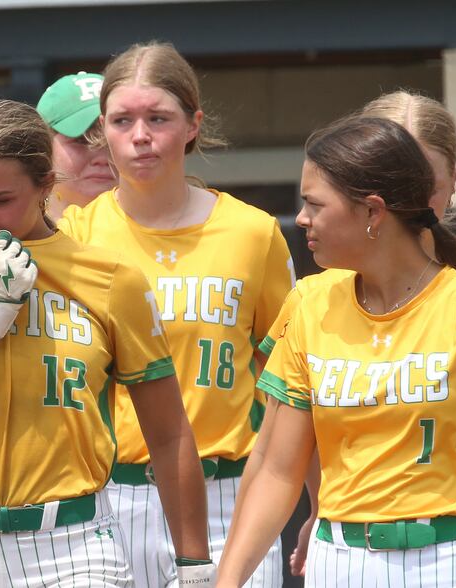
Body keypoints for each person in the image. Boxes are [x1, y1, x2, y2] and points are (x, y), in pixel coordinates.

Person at [0, 99, 215, 586]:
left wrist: (194, 562)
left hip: (75, 547)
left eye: (0, 198)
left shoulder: (111, 279)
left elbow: (168, 432)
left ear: (46, 187)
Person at [59, 41, 292, 586]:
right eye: (122, 120)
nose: (140, 135)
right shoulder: (74, 237)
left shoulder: (253, 232)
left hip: (230, 492)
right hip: (112, 499)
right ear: (103, 131)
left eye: (158, 118)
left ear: (192, 125)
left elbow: (288, 379)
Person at [217, 115, 456, 587]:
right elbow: (274, 468)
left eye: (313, 204)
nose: (302, 218)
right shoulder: (309, 302)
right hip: (339, 560)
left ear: (373, 212)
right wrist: (227, 582)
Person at [36, 72, 117, 220]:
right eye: (82, 140)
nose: (102, 158)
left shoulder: (160, 231)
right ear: (42, 149)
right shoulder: (11, 235)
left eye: (112, 142)